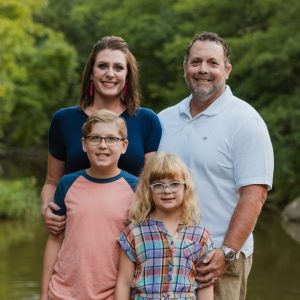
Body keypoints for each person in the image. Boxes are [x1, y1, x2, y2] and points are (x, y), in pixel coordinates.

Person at [158, 32, 274, 300]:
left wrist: (227, 252)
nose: (203, 70)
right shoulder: (165, 119)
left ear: (227, 70)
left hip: (217, 261)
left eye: (212, 63)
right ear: (185, 67)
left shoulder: (245, 122)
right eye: (196, 61)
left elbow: (254, 195)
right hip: (165, 258)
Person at [40, 36, 161, 235]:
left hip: (131, 235)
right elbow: (52, 182)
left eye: (118, 68)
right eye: (103, 66)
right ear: (91, 73)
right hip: (76, 233)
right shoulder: (64, 120)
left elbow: (150, 184)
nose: (110, 74)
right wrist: (47, 209)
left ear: (128, 76)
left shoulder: (147, 120)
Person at [40, 109, 139, 300]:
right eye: (95, 139)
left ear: (124, 145)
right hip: (62, 293)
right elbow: (55, 240)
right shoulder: (67, 184)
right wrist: (44, 294)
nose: (103, 145)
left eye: (111, 139)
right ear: (84, 144)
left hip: (112, 294)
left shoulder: (136, 188)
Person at [114, 152, 214, 300]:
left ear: (186, 187)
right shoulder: (134, 233)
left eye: (174, 184)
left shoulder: (200, 235)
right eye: (158, 185)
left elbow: (205, 286)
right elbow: (124, 283)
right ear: (149, 190)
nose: (167, 191)